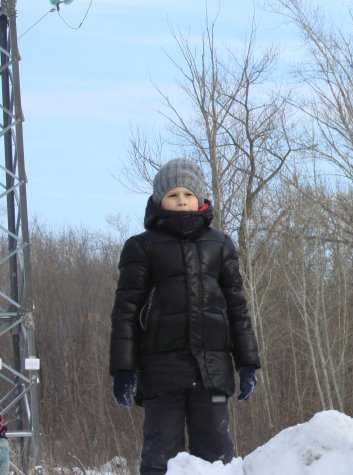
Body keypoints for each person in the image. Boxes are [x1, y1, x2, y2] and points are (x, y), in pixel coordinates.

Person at [109, 158, 260, 474]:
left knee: (217, 459)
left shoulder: (221, 245)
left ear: (200, 198)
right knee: (160, 459)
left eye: (188, 194)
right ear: (159, 199)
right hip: (161, 374)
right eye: (173, 194)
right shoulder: (141, 247)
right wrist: (124, 369)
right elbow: (125, 314)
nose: (181, 200)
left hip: (212, 372)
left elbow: (237, 309)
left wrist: (247, 363)